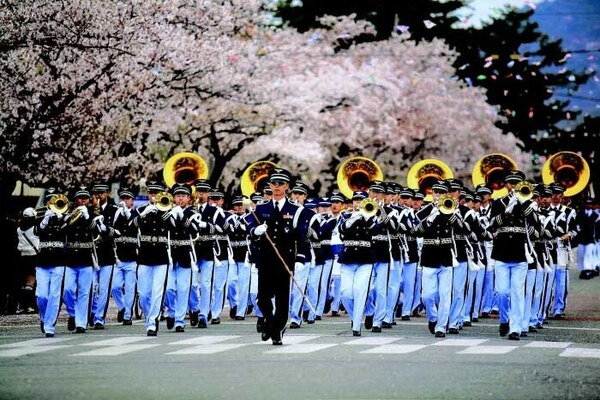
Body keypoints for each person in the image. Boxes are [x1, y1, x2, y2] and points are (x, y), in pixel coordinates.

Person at [246, 168, 307, 345]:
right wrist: (255, 231)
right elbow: (249, 226)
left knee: (282, 300)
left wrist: (300, 258)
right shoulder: (262, 208)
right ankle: (271, 324)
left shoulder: (295, 209)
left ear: (287, 186)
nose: (277, 186)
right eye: (274, 183)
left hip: (284, 260)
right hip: (265, 259)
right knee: (262, 298)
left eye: (281, 183)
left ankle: (277, 330)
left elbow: (301, 236)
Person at [487, 171, 538, 340]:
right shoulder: (498, 203)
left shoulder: (529, 203)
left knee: (517, 292)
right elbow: (491, 225)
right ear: (506, 185)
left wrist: (524, 206)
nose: (514, 186)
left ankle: (515, 328)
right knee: (502, 292)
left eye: (517, 183)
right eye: (511, 183)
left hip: (520, 252)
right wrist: (505, 213)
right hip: (501, 252)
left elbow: (536, 227)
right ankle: (504, 319)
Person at [415, 181, 464, 338]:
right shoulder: (424, 211)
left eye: (442, 193)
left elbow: (462, 228)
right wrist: (430, 218)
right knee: (427, 296)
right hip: (429, 256)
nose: (438, 195)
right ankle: (433, 317)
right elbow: (416, 231)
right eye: (436, 192)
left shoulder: (452, 209)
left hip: (446, 255)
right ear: (432, 193)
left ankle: (441, 326)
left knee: (445, 294)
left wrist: (450, 214)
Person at [133, 180, 171, 336]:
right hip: (145, 255)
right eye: (151, 193)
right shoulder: (141, 210)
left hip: (161, 255)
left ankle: (152, 321)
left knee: (157, 291)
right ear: (148, 194)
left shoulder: (167, 210)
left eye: (157, 193)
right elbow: (131, 226)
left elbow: (174, 226)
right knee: (143, 294)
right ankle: (150, 316)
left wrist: (162, 212)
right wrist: (144, 215)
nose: (154, 196)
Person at [338, 190, 377, 337]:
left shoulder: (372, 216)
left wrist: (366, 217)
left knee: (360, 291)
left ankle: (356, 326)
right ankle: (364, 313)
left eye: (361, 200)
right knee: (346, 294)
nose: (358, 203)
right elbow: (341, 230)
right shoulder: (346, 215)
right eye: (355, 200)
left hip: (365, 260)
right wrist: (354, 218)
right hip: (348, 258)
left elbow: (376, 230)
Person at [63, 186, 101, 333]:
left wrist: (87, 217)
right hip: (71, 258)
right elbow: (63, 230)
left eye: (85, 198)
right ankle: (72, 313)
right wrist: (70, 218)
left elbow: (97, 232)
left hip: (86, 258)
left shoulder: (93, 214)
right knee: (68, 290)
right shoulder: (69, 214)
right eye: (80, 197)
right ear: (76, 200)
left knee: (84, 292)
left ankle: (81, 323)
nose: (83, 200)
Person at [34, 189, 67, 337]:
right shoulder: (41, 214)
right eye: (50, 200)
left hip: (59, 260)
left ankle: (49, 326)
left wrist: (62, 220)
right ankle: (44, 317)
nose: (53, 203)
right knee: (42, 295)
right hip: (43, 260)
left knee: (54, 295)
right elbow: (35, 231)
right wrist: (44, 221)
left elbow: (68, 232)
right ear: (47, 202)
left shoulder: (64, 216)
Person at [89, 182, 119, 330]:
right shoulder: (88, 210)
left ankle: (99, 317)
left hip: (107, 253)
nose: (99, 196)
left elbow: (118, 232)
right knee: (91, 287)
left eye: (101, 193)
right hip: (92, 253)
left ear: (107, 193)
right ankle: (93, 311)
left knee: (104, 289)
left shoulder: (114, 210)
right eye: (96, 194)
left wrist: (105, 228)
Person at [111, 187, 139, 326]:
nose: (124, 201)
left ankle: (127, 315)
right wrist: (119, 213)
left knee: (130, 288)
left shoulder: (136, 213)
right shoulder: (116, 215)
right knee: (115, 287)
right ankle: (122, 307)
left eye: (127, 198)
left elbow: (136, 224)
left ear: (132, 201)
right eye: (122, 198)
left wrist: (128, 213)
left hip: (132, 257)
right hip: (118, 257)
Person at [16, 207, 39, 314]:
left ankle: (23, 305)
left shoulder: (18, 229)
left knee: (24, 282)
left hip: (23, 257)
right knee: (31, 282)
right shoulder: (35, 229)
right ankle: (30, 305)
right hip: (33, 256)